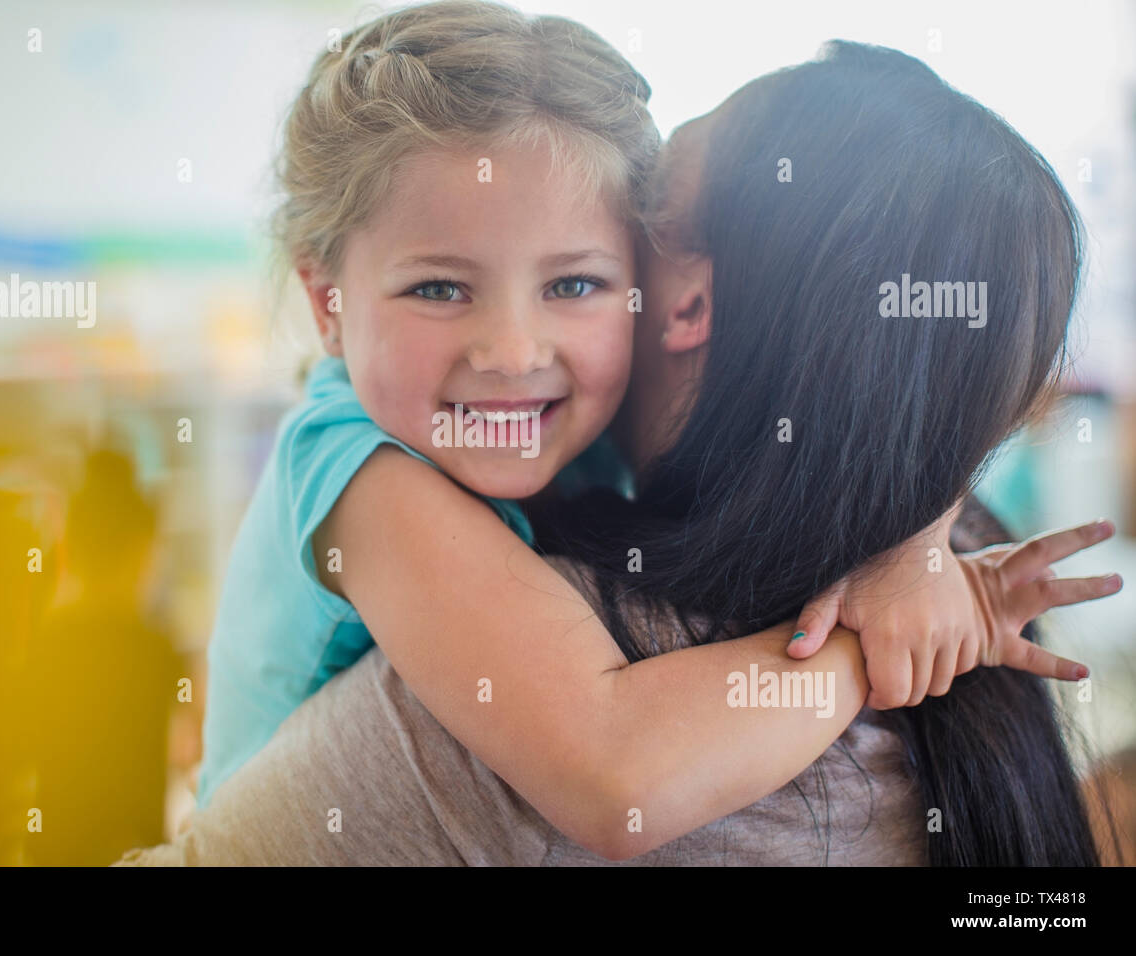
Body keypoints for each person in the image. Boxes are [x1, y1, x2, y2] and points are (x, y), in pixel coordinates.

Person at [121, 34, 1120, 865]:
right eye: (436, 287)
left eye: (578, 282)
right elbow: (613, 769)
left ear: (676, 297)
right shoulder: (368, 473)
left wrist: (915, 548)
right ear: (325, 303)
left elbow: (922, 389)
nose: (513, 351)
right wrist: (877, 635)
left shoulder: (577, 450)